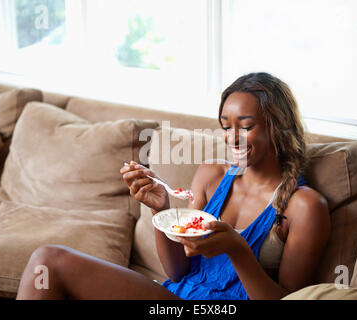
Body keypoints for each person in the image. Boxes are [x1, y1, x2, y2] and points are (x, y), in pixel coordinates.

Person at [16, 72, 330, 300]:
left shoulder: (305, 207)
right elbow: (179, 272)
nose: (232, 138)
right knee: (47, 262)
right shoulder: (211, 175)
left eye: (246, 127)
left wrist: (238, 251)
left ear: (279, 127)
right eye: (225, 126)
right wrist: (160, 209)